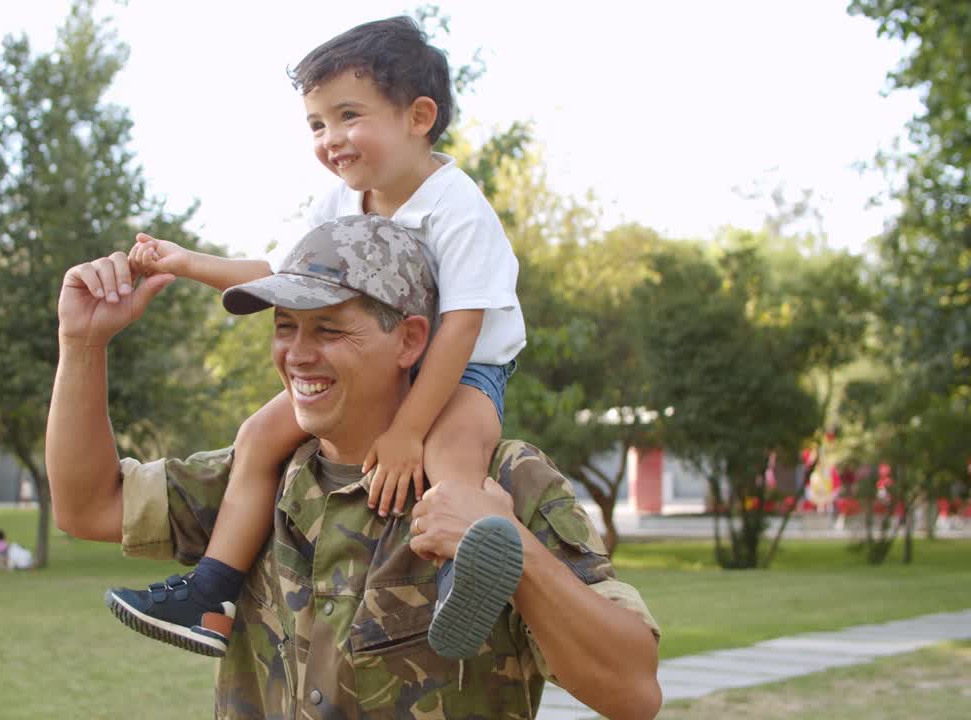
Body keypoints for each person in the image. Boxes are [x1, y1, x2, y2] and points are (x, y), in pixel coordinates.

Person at [47, 215, 661, 719]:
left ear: (411, 341)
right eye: (285, 328)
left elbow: (632, 692)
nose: (297, 354)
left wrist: (516, 554)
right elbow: (88, 506)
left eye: (330, 329)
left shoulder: (500, 479)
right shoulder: (255, 477)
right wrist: (82, 344)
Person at [115, 15, 527, 660]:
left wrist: (407, 431)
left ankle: (462, 585)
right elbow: (279, 277)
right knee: (257, 436)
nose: (330, 138)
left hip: (465, 365)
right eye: (316, 123)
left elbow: (462, 328)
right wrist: (186, 261)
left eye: (348, 116)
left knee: (455, 455)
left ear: (419, 117)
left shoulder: (457, 207)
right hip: (379, 366)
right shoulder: (339, 203)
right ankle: (211, 595)